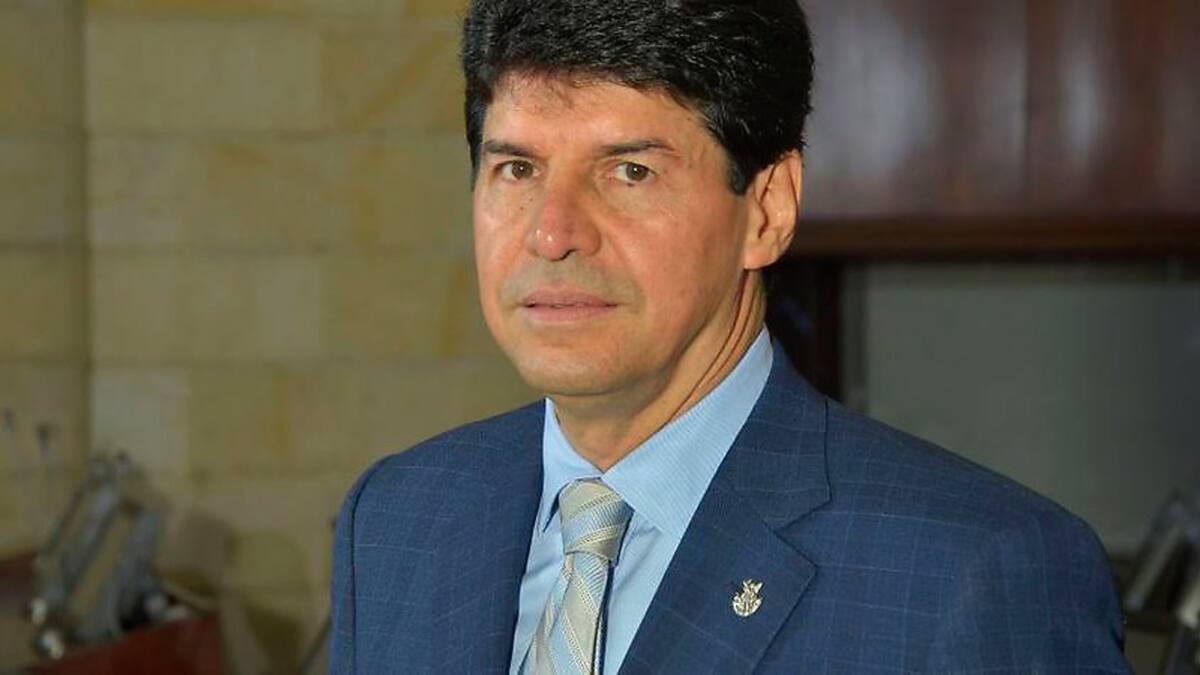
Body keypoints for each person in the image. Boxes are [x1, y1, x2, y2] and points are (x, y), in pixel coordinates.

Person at [330, 0, 1130, 672]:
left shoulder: (973, 574)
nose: (552, 233)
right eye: (517, 169)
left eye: (630, 171)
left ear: (768, 209)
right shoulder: (397, 519)